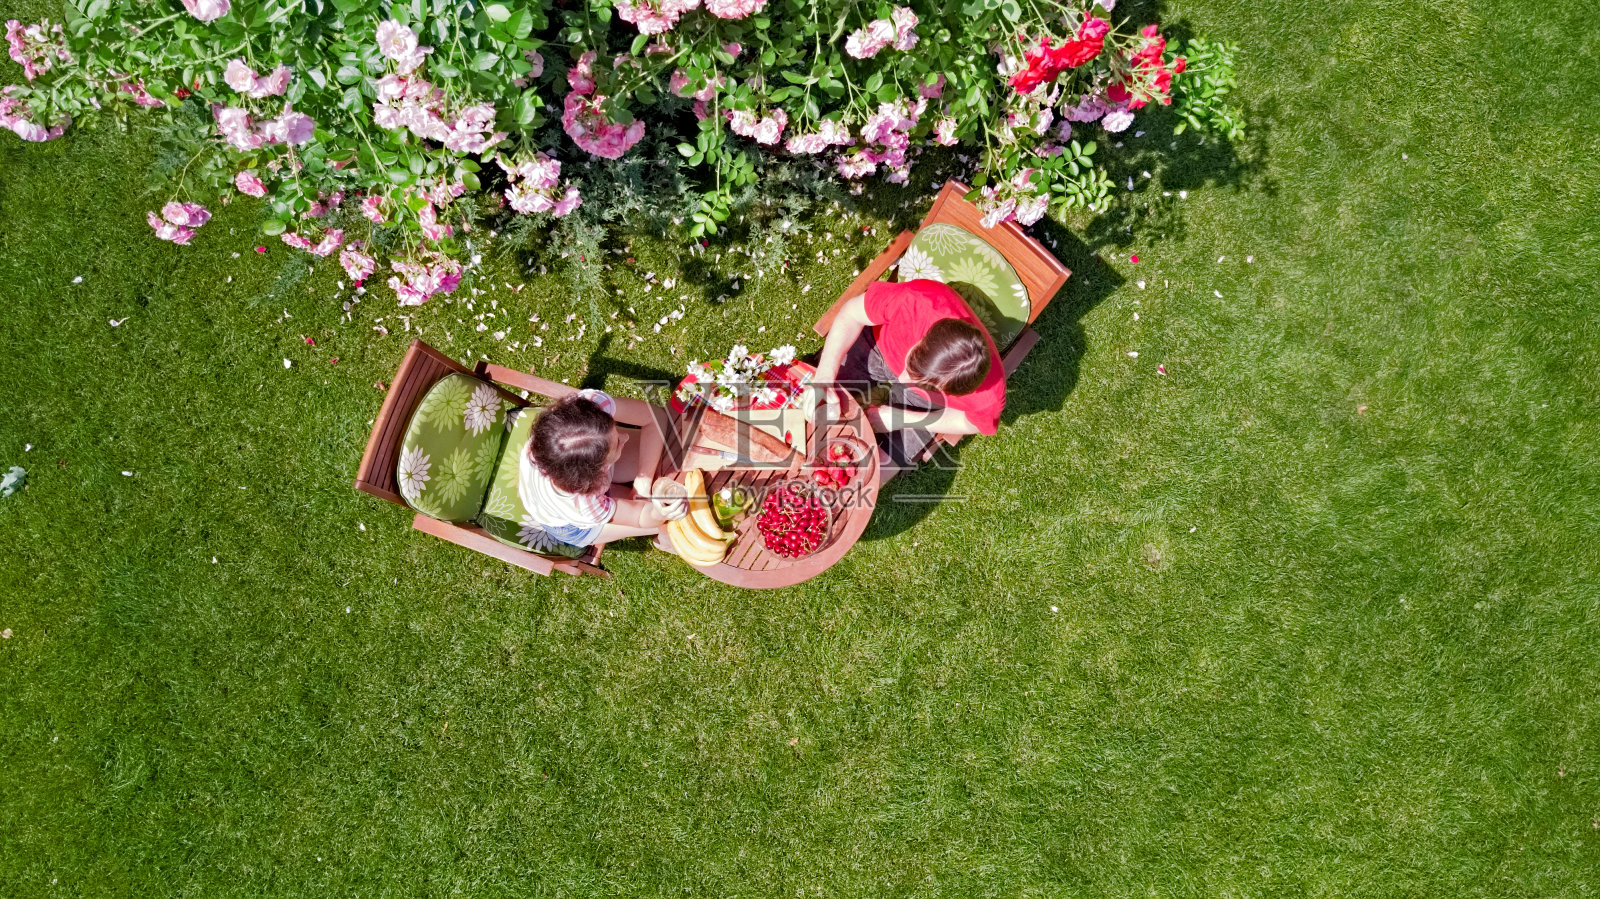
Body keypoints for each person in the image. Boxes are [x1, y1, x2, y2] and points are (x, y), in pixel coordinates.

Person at [811, 279, 1006, 480]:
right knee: (814, 403)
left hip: (923, 402)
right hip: (879, 348)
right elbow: (851, 313)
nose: (903, 380)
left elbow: (972, 423)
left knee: (868, 475)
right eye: (911, 365)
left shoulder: (989, 394)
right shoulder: (915, 301)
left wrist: (904, 419)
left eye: (924, 383)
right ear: (922, 338)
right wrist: (824, 376)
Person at [518, 388, 684, 546]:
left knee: (668, 454)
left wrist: (644, 478)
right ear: (598, 473)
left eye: (614, 428)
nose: (625, 436)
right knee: (674, 514)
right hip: (571, 524)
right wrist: (659, 513)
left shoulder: (588, 407)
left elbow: (655, 418)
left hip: (573, 474)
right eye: (617, 443)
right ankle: (668, 540)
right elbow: (640, 516)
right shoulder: (584, 507)